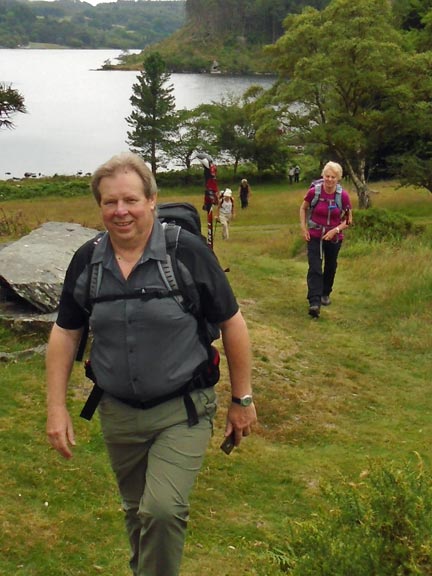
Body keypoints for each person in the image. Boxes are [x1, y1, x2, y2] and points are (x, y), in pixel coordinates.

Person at [46, 152, 257, 576]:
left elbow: (232, 323)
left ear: (151, 200)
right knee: (137, 510)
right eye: (109, 202)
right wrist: (56, 406)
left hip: (182, 410)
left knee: (161, 510)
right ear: (100, 206)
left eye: (130, 200)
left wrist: (242, 398)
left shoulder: (186, 253)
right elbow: (66, 332)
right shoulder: (88, 261)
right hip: (118, 414)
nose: (120, 211)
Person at [299, 161, 352, 318]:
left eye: (333, 177)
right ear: (323, 176)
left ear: (338, 179)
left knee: (330, 266)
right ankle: (314, 302)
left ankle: (325, 293)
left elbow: (349, 220)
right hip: (314, 235)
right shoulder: (314, 192)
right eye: (327, 176)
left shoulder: (343, 196)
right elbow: (303, 208)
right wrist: (303, 228)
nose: (329, 180)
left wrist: (335, 230)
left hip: (334, 237)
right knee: (315, 267)